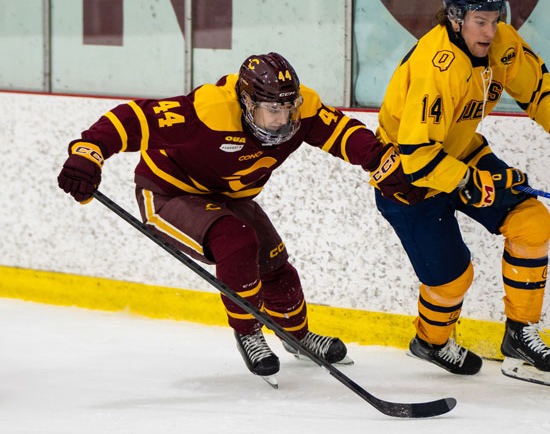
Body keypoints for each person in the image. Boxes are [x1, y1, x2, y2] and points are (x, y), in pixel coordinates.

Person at [57, 52, 424, 387]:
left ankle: (296, 335)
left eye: (288, 109)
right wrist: (88, 153)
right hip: (168, 192)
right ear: (247, 103)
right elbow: (132, 118)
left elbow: (342, 133)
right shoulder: (208, 111)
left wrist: (381, 161)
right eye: (272, 111)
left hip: (230, 197)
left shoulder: (302, 110)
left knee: (275, 264)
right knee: (237, 242)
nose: (283, 120)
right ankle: (248, 331)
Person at [372, 0, 550, 387]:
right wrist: (472, 182)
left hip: (459, 152)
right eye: (481, 20)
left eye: (496, 18)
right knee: (455, 278)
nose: (491, 30)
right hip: (407, 178)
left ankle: (520, 335)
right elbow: (417, 155)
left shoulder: (500, 42)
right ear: (455, 17)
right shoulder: (435, 66)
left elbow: (537, 91)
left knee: (532, 223)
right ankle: (432, 341)